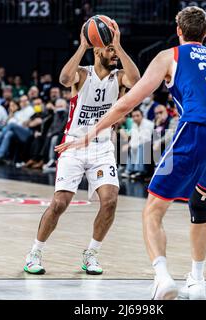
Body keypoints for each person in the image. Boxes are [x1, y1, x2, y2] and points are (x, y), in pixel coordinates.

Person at [56, 6, 206, 299]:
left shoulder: (169, 56)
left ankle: (163, 277)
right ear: (205, 34)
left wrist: (87, 135)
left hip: (197, 130)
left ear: (178, 31)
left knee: (152, 210)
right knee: (200, 205)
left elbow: (127, 104)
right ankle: (197, 281)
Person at [23, 20, 140, 276]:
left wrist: (118, 46)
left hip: (101, 147)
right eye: (109, 50)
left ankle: (91, 253)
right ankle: (35, 252)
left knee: (110, 201)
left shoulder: (118, 77)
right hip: (73, 146)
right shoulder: (83, 73)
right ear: (98, 50)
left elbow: (136, 80)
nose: (114, 55)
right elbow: (64, 78)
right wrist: (82, 45)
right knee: (60, 203)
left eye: (114, 51)